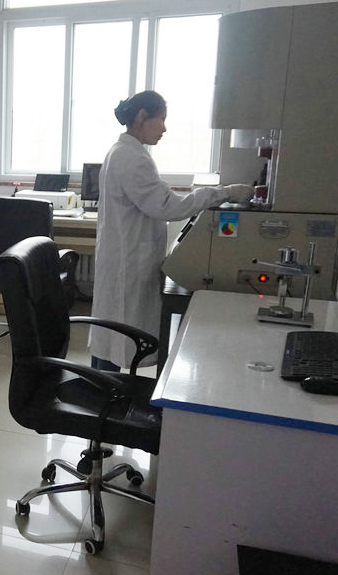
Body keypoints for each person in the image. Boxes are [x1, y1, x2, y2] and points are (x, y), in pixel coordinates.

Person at [90, 91, 253, 370]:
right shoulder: (132, 158)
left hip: (122, 258)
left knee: (112, 336)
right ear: (142, 116)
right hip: (128, 264)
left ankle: (103, 387)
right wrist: (223, 193)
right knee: (118, 334)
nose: (164, 128)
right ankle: (106, 390)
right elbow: (167, 207)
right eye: (161, 119)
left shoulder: (123, 152)